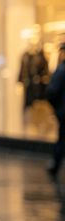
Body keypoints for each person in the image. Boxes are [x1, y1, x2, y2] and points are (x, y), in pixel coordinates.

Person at [46, 44, 65, 178]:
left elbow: (52, 92)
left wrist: (57, 108)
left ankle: (55, 165)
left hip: (63, 111)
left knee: (62, 138)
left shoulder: (62, 69)